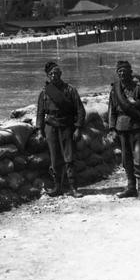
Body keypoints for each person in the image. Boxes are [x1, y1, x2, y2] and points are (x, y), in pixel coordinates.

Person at [36, 61, 86, 198]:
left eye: (56, 73)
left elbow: (80, 111)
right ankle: (57, 186)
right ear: (48, 76)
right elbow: (40, 113)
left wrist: (78, 128)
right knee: (54, 158)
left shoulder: (70, 90)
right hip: (51, 127)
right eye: (51, 74)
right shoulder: (45, 93)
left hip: (66, 126)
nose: (54, 76)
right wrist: (40, 131)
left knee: (69, 157)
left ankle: (73, 187)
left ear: (61, 74)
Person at [108, 60, 140, 199]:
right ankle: (130, 187)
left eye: (124, 71)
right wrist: (112, 128)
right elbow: (112, 110)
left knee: (139, 158)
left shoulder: (139, 88)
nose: (122, 73)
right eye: (119, 71)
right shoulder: (115, 90)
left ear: (130, 72)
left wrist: (137, 103)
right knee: (126, 159)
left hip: (138, 126)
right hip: (121, 127)